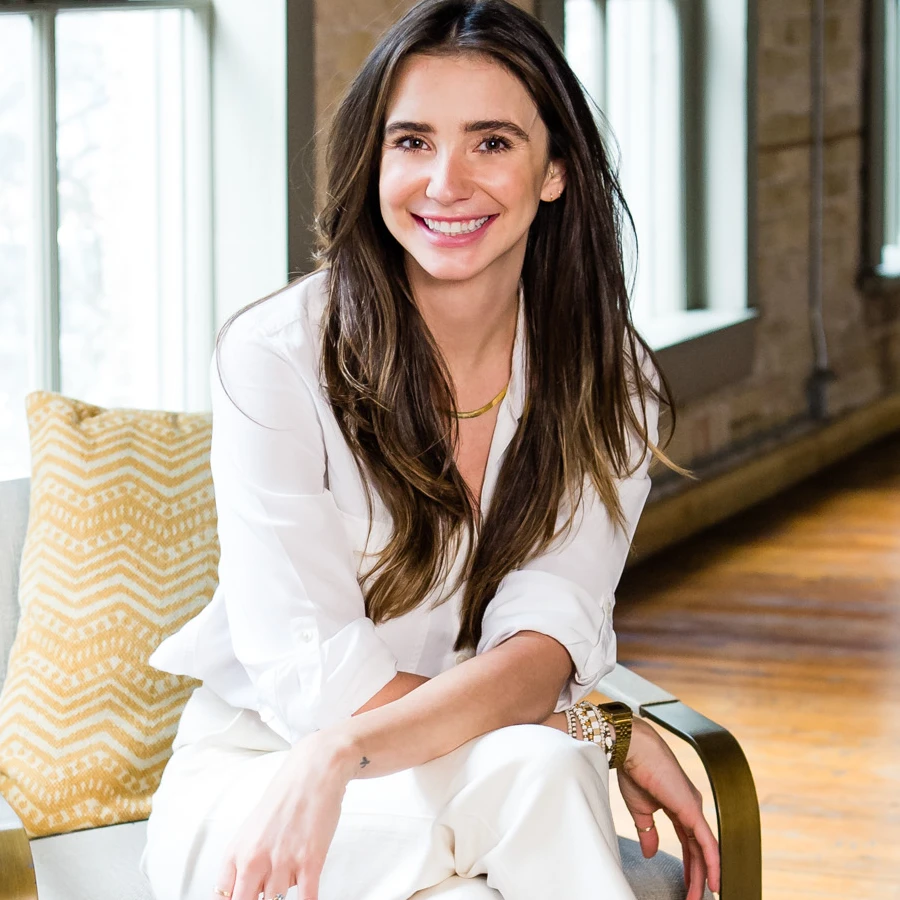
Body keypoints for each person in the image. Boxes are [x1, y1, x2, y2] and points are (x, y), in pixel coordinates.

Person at [140, 1, 720, 899]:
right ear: (375, 161)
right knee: (547, 772)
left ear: (556, 169)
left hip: (449, 762)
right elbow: (319, 689)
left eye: (491, 142)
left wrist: (547, 713)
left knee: (537, 780)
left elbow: (542, 647)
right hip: (272, 774)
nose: (446, 181)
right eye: (411, 141)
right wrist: (588, 728)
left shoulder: (613, 383)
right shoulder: (276, 360)